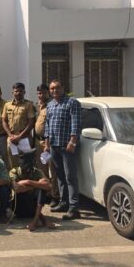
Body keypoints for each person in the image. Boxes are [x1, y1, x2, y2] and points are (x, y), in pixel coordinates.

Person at [44, 79, 82, 220]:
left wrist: (73, 142)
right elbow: (47, 126)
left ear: (63, 88)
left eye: (57, 88)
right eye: (52, 88)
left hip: (67, 146)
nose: (54, 90)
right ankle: (64, 202)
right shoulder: (50, 105)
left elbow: (76, 124)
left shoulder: (72, 102)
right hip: (54, 146)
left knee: (70, 177)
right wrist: (47, 143)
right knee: (60, 176)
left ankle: (74, 208)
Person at [10, 148, 55, 231]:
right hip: (19, 208)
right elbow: (17, 188)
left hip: (33, 206)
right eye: (24, 169)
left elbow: (49, 186)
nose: (26, 171)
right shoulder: (14, 171)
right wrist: (33, 183)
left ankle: (35, 220)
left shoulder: (37, 172)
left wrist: (28, 183)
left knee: (42, 190)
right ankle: (43, 219)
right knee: (26, 193)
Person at [34, 83, 58, 204]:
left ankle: (55, 196)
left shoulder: (52, 105)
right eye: (39, 93)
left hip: (48, 142)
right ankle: (45, 193)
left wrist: (47, 144)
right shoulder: (36, 106)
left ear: (48, 93)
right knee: (41, 169)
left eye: (43, 93)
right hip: (38, 141)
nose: (41, 95)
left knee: (52, 170)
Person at [2, 82, 36, 169]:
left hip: (24, 139)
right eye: (16, 91)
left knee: (26, 164)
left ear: (24, 92)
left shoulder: (29, 104)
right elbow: (4, 121)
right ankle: (15, 178)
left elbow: (31, 122)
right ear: (12, 92)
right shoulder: (7, 105)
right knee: (13, 165)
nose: (18, 93)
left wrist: (19, 137)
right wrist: (10, 135)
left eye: (21, 91)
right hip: (12, 139)